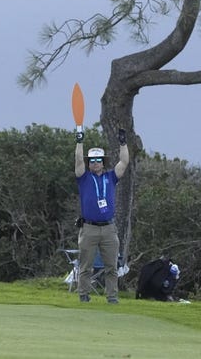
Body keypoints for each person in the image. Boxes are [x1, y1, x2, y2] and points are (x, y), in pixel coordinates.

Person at [74, 125, 129, 303]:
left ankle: (112, 297)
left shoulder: (110, 177)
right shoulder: (83, 177)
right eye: (92, 160)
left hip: (108, 228)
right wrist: (79, 142)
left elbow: (124, 163)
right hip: (89, 227)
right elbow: (78, 161)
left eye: (98, 160)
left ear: (103, 162)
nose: (95, 162)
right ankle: (83, 295)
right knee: (85, 266)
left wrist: (123, 144)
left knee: (112, 266)